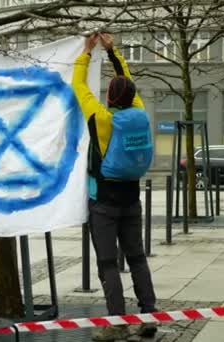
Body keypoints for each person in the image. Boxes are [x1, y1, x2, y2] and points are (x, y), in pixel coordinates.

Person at [72, 33, 158, 341]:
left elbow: (79, 87)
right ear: (132, 96)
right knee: (136, 258)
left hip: (104, 202)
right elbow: (127, 78)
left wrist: (85, 53)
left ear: (109, 98)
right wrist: (112, 52)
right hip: (132, 199)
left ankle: (117, 323)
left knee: (108, 263)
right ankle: (149, 317)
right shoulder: (139, 112)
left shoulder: (102, 119)